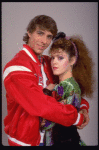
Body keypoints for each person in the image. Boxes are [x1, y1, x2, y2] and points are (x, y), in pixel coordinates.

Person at [3, 15, 89, 146]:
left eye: (49, 36)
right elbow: (39, 104)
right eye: (40, 33)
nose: (44, 41)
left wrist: (82, 107)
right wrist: (76, 118)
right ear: (29, 33)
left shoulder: (48, 62)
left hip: (50, 138)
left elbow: (65, 90)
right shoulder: (16, 67)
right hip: (25, 141)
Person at [40, 32, 94, 146]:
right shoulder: (61, 85)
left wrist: (47, 92)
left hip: (63, 141)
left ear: (72, 60)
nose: (54, 61)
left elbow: (62, 115)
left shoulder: (69, 86)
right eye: (53, 57)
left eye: (60, 58)